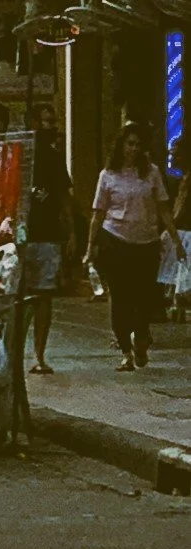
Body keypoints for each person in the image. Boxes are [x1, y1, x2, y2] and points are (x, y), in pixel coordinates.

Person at [87, 122, 182, 370]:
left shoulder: (151, 173)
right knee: (120, 296)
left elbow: (163, 208)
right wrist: (90, 246)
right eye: (130, 144)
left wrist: (176, 240)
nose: (133, 149)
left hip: (146, 242)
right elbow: (98, 213)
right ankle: (125, 351)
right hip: (115, 239)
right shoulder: (108, 175)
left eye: (138, 145)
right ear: (121, 145)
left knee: (145, 297)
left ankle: (140, 337)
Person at [23, 106, 72, 374]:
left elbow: (64, 196)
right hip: (20, 235)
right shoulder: (18, 154)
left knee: (43, 297)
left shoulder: (53, 157)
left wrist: (69, 230)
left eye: (53, 122)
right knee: (19, 298)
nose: (52, 126)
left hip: (47, 235)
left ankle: (39, 355)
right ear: (34, 123)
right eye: (47, 121)